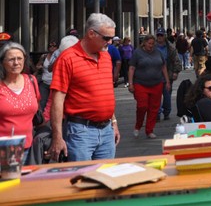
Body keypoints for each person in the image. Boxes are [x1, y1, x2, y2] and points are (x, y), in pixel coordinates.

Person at [50, 14, 121, 162]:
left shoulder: (106, 57)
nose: (110, 43)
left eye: (111, 39)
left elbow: (106, 93)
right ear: (91, 33)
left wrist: (114, 122)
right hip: (80, 131)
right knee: (82, 178)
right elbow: (57, 100)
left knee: (106, 177)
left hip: (106, 130)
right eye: (106, 38)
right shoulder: (68, 58)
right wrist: (58, 137)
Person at [0, 42, 40, 164]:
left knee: (27, 182)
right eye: (11, 59)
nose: (16, 63)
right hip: (5, 148)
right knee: (9, 183)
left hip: (29, 145)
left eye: (19, 58)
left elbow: (38, 104)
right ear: (2, 62)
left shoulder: (32, 81)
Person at [128, 34, 170, 138]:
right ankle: (138, 125)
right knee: (142, 106)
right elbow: (132, 68)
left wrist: (167, 81)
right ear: (144, 43)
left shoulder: (158, 52)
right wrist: (131, 83)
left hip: (157, 83)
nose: (151, 46)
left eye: (153, 43)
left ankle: (149, 130)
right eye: (149, 43)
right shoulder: (137, 53)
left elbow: (163, 66)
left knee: (154, 108)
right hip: (140, 83)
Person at [156, 29, 182, 120]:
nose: (159, 37)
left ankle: (166, 113)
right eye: (158, 35)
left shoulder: (170, 47)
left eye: (161, 35)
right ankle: (157, 114)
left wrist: (176, 72)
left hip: (168, 75)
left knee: (167, 96)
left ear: (165, 36)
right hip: (155, 76)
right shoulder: (152, 46)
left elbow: (177, 60)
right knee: (156, 96)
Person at [35, 40, 58, 111]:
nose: (52, 47)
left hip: (55, 84)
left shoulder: (59, 56)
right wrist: (39, 67)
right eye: (50, 46)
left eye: (54, 46)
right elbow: (38, 65)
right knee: (42, 102)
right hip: (44, 83)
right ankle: (41, 119)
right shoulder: (44, 56)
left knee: (55, 103)